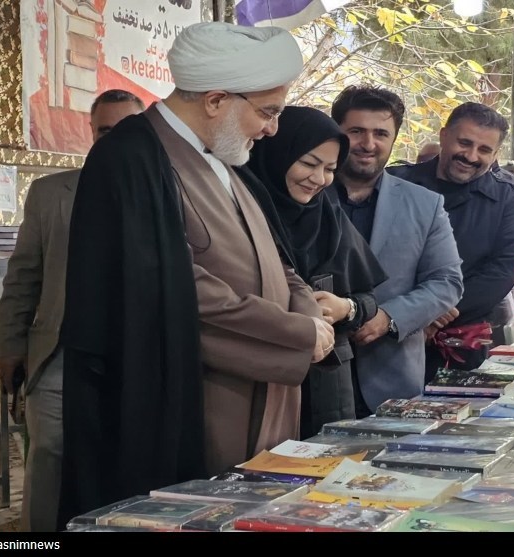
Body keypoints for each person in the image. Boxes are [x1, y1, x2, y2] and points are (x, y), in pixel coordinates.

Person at [56, 22, 335, 527]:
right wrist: (296, 333)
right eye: (268, 112)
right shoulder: (132, 158)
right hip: (197, 400)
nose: (272, 130)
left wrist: (308, 313)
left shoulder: (226, 157)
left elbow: (277, 258)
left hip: (268, 385)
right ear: (216, 100)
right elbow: (171, 290)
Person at [0, 89, 144, 532]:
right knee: (49, 458)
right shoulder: (50, 193)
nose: (114, 140)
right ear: (91, 132)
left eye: (126, 130)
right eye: (105, 131)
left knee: (124, 460)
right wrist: (10, 345)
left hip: (133, 352)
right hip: (58, 353)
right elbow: (24, 275)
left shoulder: (167, 190)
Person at [239, 105, 387, 439]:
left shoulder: (328, 215)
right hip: (259, 381)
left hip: (327, 389)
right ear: (277, 154)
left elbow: (368, 299)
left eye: (330, 169)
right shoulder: (241, 213)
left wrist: (346, 308)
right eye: (308, 163)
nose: (319, 179)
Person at [328, 85, 463, 416]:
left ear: (394, 139)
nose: (368, 143)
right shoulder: (304, 194)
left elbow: (447, 282)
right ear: (337, 133)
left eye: (380, 134)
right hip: (311, 376)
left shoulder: (425, 205)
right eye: (356, 131)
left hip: (390, 376)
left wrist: (389, 318)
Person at [388, 102, 514, 379]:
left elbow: (502, 271)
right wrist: (411, 314)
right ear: (444, 136)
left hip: (462, 342)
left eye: (484, 150)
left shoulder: (506, 197)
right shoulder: (394, 184)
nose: (471, 156)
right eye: (464, 143)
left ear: (495, 154)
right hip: (389, 335)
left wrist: (436, 313)